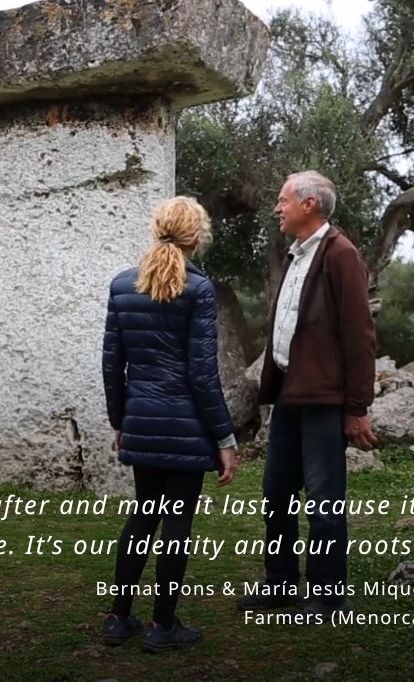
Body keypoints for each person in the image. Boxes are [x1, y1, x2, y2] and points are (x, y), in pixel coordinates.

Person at [237, 170, 377, 620]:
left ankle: (329, 595)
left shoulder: (341, 255)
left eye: (283, 201)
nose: (277, 208)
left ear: (309, 204)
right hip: (290, 397)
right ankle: (281, 586)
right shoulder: (297, 255)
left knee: (323, 499)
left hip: (322, 401)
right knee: (276, 494)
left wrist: (356, 408)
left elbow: (360, 335)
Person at [101, 196, 238, 653]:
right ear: (196, 237)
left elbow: (111, 366)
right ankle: (163, 627)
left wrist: (120, 421)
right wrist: (225, 436)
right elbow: (202, 373)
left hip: (140, 418)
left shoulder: (122, 286)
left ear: (156, 228)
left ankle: (118, 618)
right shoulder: (199, 290)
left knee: (143, 516)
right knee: (176, 522)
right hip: (186, 426)